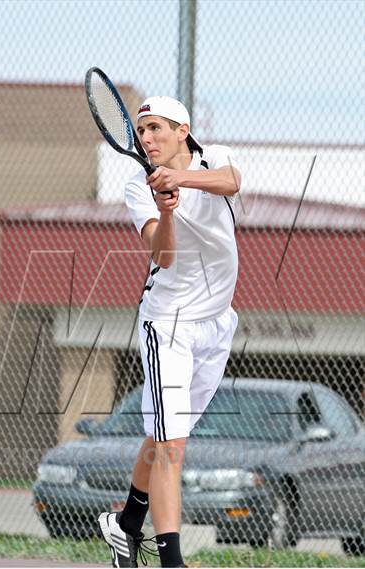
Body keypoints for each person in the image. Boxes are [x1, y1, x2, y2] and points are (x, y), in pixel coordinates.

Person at [98, 96, 241, 568]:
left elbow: (231, 182)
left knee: (166, 434)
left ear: (183, 130)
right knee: (170, 445)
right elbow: (163, 256)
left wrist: (179, 180)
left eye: (156, 128)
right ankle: (172, 562)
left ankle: (126, 523)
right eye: (141, 131)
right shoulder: (139, 186)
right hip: (168, 325)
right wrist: (168, 211)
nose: (147, 138)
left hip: (217, 322)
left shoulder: (213, 157)